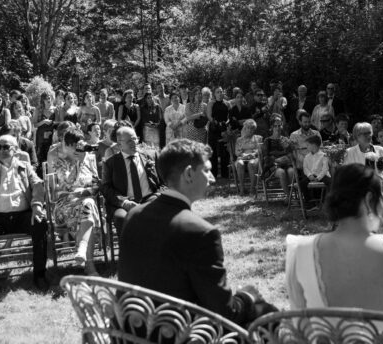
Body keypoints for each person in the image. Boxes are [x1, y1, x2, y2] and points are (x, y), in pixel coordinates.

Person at [118, 139, 277, 325]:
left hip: (129, 331)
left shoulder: (134, 215)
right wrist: (248, 296)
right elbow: (226, 312)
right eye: (207, 170)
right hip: (178, 333)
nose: (213, 178)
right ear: (189, 174)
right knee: (269, 317)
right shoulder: (201, 232)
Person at [285, 163, 383, 312]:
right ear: (369, 198)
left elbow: (297, 322)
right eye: (382, 194)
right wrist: (382, 222)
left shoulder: (301, 251)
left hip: (325, 336)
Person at [0, 135, 48, 294]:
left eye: (6, 147)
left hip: (23, 216)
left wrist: (37, 206)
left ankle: (39, 275)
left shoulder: (25, 167)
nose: (1, 150)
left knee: (40, 222)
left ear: (16, 149)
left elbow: (38, 185)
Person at [48, 128, 101, 275]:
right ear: (64, 145)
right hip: (65, 204)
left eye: (76, 144)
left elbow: (96, 185)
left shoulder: (89, 158)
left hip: (86, 201)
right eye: (70, 145)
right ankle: (89, 264)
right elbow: (68, 184)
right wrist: (78, 164)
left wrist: (84, 192)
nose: (74, 148)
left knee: (88, 204)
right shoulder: (59, 162)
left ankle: (82, 251)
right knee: (88, 207)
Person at [101, 126, 162, 235]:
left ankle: (154, 249)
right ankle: (129, 250)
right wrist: (124, 202)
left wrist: (157, 196)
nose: (134, 143)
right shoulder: (111, 163)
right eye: (129, 141)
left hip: (150, 199)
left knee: (154, 214)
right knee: (121, 218)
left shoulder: (152, 156)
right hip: (124, 204)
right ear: (119, 145)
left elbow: (165, 182)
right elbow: (106, 188)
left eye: (135, 139)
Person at [263, 114, 295, 196]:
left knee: (291, 172)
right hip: (273, 165)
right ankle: (289, 197)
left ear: (282, 126)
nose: (277, 128)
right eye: (275, 126)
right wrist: (277, 160)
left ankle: (294, 195)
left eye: (279, 125)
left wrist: (288, 148)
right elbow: (266, 158)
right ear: (272, 127)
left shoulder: (285, 139)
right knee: (281, 172)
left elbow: (291, 155)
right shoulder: (267, 141)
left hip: (286, 164)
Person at [301, 135, 332, 206]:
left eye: (308, 145)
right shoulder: (307, 156)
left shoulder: (324, 155)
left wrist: (318, 178)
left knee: (330, 182)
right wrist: (309, 175)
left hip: (322, 175)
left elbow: (325, 169)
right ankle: (309, 202)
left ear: (314, 145)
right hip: (311, 175)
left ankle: (327, 200)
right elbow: (305, 168)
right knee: (302, 183)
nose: (307, 147)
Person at [207, 86, 230, 178]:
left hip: (224, 130)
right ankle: (214, 174)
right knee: (213, 153)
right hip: (213, 130)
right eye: (218, 92)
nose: (220, 93)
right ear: (214, 94)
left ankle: (225, 174)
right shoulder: (211, 103)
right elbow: (209, 116)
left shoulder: (227, 103)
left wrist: (225, 123)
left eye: (221, 92)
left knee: (224, 152)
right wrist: (216, 123)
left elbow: (229, 117)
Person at [235, 119, 262, 195]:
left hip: (254, 158)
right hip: (242, 158)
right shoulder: (239, 140)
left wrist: (253, 154)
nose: (250, 130)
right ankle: (242, 188)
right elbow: (237, 152)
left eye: (252, 128)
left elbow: (259, 150)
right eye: (248, 128)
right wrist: (242, 154)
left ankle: (252, 189)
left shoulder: (258, 138)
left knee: (251, 163)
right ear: (245, 128)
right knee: (240, 164)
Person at [32, 90, 56, 166]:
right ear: (43, 100)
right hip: (41, 136)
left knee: (51, 154)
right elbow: (35, 125)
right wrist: (43, 121)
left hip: (52, 136)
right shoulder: (38, 110)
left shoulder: (55, 110)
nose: (48, 100)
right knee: (40, 156)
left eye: (49, 98)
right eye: (46, 99)